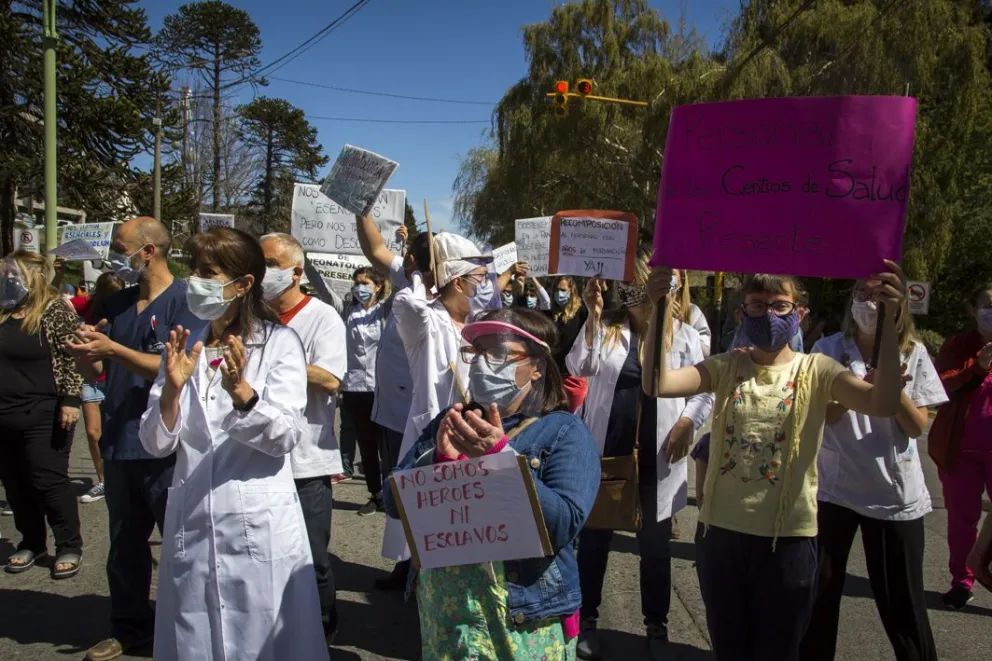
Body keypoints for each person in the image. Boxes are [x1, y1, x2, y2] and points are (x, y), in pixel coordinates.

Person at [641, 261, 907, 661]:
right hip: (722, 538)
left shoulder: (817, 369)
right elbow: (657, 383)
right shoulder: (726, 366)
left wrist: (888, 321)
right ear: (740, 313)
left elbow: (881, 403)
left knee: (778, 651)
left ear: (800, 313)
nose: (769, 314)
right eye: (757, 304)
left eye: (781, 305)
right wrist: (658, 307)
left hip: (789, 543)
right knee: (730, 649)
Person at [138, 227, 328, 661]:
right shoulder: (188, 347)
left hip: (256, 525)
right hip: (194, 522)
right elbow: (154, 444)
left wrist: (243, 394)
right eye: (193, 270)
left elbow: (286, 437)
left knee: (265, 643)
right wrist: (170, 390)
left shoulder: (278, 344)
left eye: (208, 272)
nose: (194, 282)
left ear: (242, 284)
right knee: (196, 638)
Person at [383, 308, 601, 660]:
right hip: (448, 619)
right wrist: (436, 463)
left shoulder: (564, 433)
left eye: (498, 353)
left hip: (521, 622)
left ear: (537, 367)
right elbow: (393, 502)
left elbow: (562, 524)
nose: (483, 363)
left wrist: (503, 460)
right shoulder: (451, 420)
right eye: (478, 352)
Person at [65, 216, 207, 661]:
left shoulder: (188, 300)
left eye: (120, 246)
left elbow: (180, 367)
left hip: (170, 444)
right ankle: (129, 628)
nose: (112, 254)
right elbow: (101, 370)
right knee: (125, 543)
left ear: (148, 251)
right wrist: (88, 352)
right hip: (121, 438)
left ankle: (191, 630)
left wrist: (115, 352)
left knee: (182, 544)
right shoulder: (120, 302)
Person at [566, 259, 712, 661]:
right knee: (594, 541)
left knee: (655, 547)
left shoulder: (682, 335)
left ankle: (656, 625)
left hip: (659, 455)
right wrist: (593, 318)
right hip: (607, 451)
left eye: (636, 285)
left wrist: (687, 423)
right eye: (624, 286)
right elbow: (580, 367)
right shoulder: (609, 328)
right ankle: (586, 620)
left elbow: (704, 390)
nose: (627, 292)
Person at [801, 279, 946, 661]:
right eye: (861, 295)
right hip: (835, 491)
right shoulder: (828, 350)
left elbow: (917, 426)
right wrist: (860, 392)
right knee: (819, 594)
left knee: (903, 600)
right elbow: (821, 416)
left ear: (897, 307)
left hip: (892, 495)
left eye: (878, 297)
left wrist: (892, 389)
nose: (867, 303)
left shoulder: (912, 352)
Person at [382, 232, 495, 570]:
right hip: (434, 436)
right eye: (479, 279)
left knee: (470, 528)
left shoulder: (481, 325)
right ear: (458, 283)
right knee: (431, 529)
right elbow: (407, 302)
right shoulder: (426, 319)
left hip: (476, 435)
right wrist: (423, 275)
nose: (485, 286)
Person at [261, 232, 347, 644]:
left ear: (296, 271)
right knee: (265, 557)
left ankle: (322, 629)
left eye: (271, 264)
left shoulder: (323, 317)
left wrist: (277, 358)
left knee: (311, 559)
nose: (262, 272)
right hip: (257, 457)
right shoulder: (250, 315)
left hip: (306, 461)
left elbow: (330, 380)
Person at [354, 216, 431, 589]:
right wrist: (361, 210)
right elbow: (374, 249)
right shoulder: (407, 277)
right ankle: (404, 566)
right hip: (391, 409)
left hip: (416, 412)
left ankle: (422, 570)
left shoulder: (436, 293)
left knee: (418, 490)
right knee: (397, 489)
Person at [0, 252, 84, 578]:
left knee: (47, 480)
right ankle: (32, 542)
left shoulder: (54, 310)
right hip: (4, 412)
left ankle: (69, 544)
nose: (8, 278)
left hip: (44, 410)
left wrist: (71, 400)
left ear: (32, 276)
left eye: (13, 273)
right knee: (16, 483)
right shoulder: (5, 310)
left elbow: (73, 357)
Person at [929, 281, 992, 609]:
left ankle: (985, 568)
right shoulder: (959, 345)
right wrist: (977, 366)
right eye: (988, 306)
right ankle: (962, 581)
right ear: (973, 310)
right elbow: (939, 387)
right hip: (960, 450)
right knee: (961, 519)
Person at [340, 266, 391, 516]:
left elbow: (402, 284)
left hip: (383, 388)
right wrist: (305, 258)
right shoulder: (347, 311)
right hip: (354, 388)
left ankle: (394, 495)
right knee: (367, 446)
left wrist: (401, 248)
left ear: (378, 286)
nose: (360, 287)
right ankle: (376, 494)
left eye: (365, 282)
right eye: (357, 282)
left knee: (388, 446)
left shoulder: (386, 310)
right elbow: (321, 288)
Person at [69, 272, 124, 504]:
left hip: (114, 373)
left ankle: (119, 479)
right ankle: (103, 481)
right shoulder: (86, 303)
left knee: (117, 429)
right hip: (90, 375)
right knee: (93, 432)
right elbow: (58, 304)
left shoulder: (124, 307)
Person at [548, 275, 589, 413]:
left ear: (572, 291)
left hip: (573, 378)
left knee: (575, 417)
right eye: (557, 290)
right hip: (555, 378)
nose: (559, 294)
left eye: (563, 290)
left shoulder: (582, 311)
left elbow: (600, 311)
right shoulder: (553, 314)